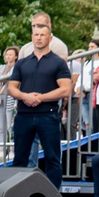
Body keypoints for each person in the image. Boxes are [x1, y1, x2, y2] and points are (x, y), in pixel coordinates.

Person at [9, 13, 72, 178]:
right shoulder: (22, 63)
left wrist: (40, 98)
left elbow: (65, 89)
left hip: (48, 115)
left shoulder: (58, 62)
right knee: (20, 159)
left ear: (50, 37)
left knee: (52, 158)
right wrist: (25, 97)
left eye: (42, 35)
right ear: (31, 37)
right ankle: (18, 196)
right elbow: (11, 88)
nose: (38, 38)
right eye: (36, 35)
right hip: (24, 115)